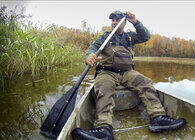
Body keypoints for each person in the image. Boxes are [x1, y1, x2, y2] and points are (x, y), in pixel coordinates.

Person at [71, 11, 186, 140]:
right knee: (104, 87)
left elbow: (145, 36)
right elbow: (92, 48)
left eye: (117, 20)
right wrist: (89, 56)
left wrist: (135, 21)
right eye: (112, 20)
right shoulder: (105, 36)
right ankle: (104, 128)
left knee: (145, 82)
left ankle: (157, 117)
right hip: (107, 72)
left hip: (127, 72)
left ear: (124, 22)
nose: (114, 22)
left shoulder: (130, 37)